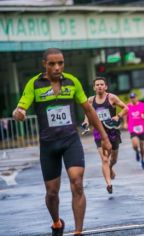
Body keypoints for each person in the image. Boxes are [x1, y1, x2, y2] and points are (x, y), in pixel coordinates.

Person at [12, 48, 112, 236]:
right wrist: (19, 113)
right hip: (49, 145)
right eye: (52, 64)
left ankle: (78, 231)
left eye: (61, 63)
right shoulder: (34, 84)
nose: (57, 67)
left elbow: (89, 110)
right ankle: (57, 222)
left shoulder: (72, 82)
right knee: (51, 193)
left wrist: (104, 137)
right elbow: (20, 109)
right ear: (44, 64)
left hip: (70, 141)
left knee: (77, 183)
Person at [82, 77, 128, 194]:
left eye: (102, 84)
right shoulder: (91, 100)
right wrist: (86, 122)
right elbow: (87, 113)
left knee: (113, 159)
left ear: (106, 87)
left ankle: (111, 168)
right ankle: (109, 184)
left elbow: (126, 108)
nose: (99, 86)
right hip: (99, 133)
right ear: (94, 88)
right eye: (97, 85)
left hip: (112, 132)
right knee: (104, 159)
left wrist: (118, 116)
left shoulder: (111, 97)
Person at [125, 92, 144, 170]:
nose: (133, 99)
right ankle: (136, 151)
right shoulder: (128, 106)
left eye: (134, 97)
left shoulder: (142, 105)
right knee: (135, 145)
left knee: (142, 146)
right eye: (131, 98)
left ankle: (142, 159)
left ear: (136, 98)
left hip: (142, 128)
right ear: (130, 99)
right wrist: (125, 123)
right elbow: (125, 115)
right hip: (132, 127)